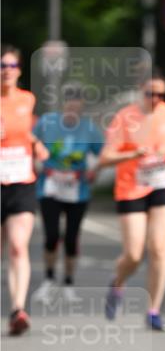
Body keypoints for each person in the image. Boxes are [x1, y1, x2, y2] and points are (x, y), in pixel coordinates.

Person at [98, 70, 165, 331]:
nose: (156, 99)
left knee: (160, 246)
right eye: (151, 93)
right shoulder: (125, 117)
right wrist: (133, 154)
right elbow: (106, 157)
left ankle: (153, 309)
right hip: (131, 187)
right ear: (141, 90)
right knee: (134, 254)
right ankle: (117, 282)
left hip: (163, 184)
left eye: (161, 94)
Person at [32, 82, 104, 306]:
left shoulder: (89, 128)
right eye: (69, 100)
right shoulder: (47, 123)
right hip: (50, 187)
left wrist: (94, 171)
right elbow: (31, 144)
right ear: (64, 103)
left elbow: (102, 154)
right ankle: (49, 279)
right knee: (52, 235)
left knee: (72, 238)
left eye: (77, 101)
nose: (73, 105)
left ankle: (69, 282)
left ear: (82, 104)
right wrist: (38, 163)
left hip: (77, 190)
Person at [0, 44, 49, 335]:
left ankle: (18, 308)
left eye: (11, 66)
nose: (6, 71)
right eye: (1, 66)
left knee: (18, 246)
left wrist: (36, 144)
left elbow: (29, 132)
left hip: (21, 181)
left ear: (19, 71)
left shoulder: (27, 100)